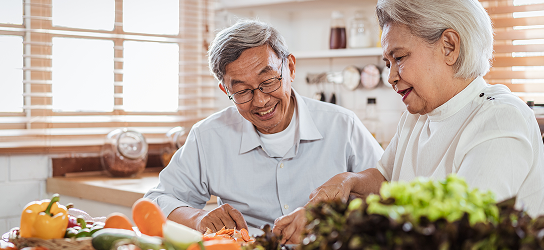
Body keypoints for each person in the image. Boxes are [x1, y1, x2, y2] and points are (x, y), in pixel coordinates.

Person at [273, 0, 544, 243]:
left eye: (399, 58)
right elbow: (386, 180)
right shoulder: (417, 116)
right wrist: (349, 181)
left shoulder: (499, 118)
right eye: (388, 62)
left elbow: (460, 230)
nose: (391, 76)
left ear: (449, 46)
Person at [144, 19, 384, 233]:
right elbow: (157, 200)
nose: (260, 101)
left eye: (268, 81)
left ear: (289, 68)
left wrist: (333, 214)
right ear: (225, 91)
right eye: (241, 91)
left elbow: (388, 188)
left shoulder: (342, 124)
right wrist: (198, 218)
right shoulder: (209, 136)